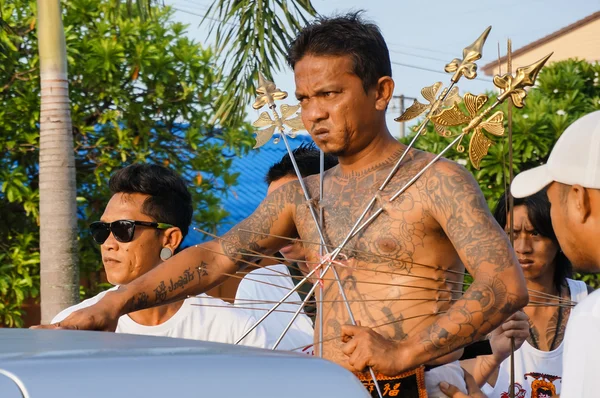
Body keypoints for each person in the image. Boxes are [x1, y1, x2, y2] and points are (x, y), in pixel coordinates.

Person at [38, 13, 528, 398]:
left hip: (417, 386)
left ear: (380, 92)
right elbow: (214, 258)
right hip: (327, 387)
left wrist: (404, 352)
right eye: (304, 97)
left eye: (330, 94)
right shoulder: (302, 195)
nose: (313, 112)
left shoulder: (436, 181)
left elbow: (504, 284)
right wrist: (112, 304)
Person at [52, 164, 267, 348]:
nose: (108, 244)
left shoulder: (233, 331)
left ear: (169, 239)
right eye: (101, 229)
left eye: (122, 229)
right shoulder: (74, 325)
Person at [510, 110, 600, 398]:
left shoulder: (590, 315)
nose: (523, 247)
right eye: (512, 234)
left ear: (579, 198)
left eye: (551, 204)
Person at [467, 191, 589, 397]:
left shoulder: (587, 305)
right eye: (512, 235)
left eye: (535, 234)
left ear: (559, 237)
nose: (523, 248)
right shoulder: (477, 312)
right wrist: (493, 357)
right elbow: (453, 384)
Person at [235, 143, 338, 355]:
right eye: (272, 212)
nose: (280, 224)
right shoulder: (259, 286)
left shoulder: (376, 278)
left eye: (294, 209)